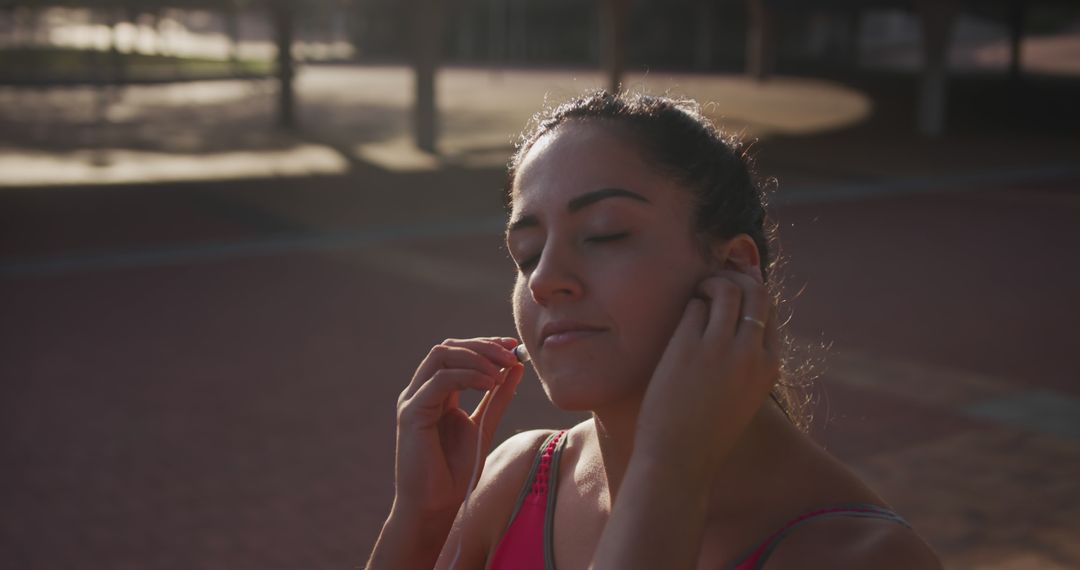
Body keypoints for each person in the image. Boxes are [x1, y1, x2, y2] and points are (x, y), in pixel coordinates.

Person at [365, 91, 944, 570]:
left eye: (606, 233)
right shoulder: (518, 479)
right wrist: (422, 520)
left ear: (734, 269)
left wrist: (667, 472)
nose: (545, 281)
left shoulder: (862, 558)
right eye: (527, 251)